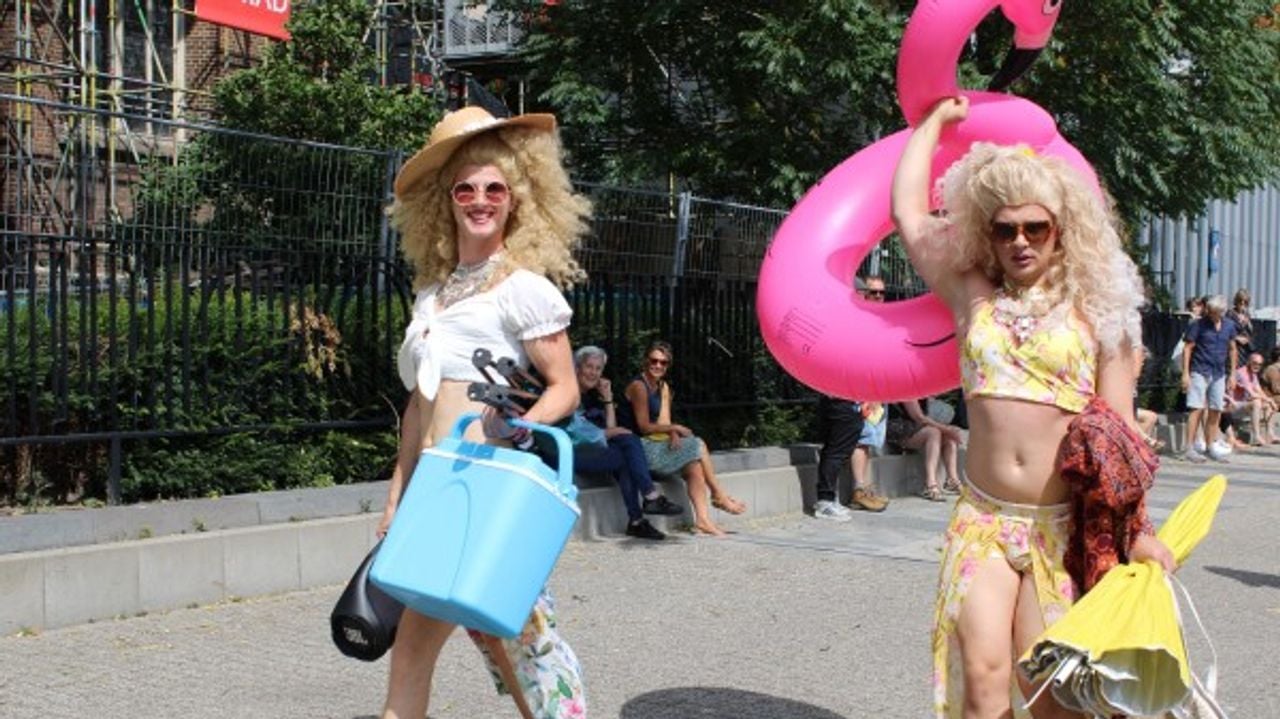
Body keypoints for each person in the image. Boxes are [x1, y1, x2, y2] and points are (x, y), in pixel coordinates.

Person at [891, 96, 1174, 718]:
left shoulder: (1099, 314)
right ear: (986, 234)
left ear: (1060, 230)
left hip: (1060, 528)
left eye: (1035, 228)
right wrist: (932, 125)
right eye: (1005, 229)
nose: (1020, 241)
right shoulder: (973, 296)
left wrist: (1139, 535)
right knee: (983, 678)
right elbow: (908, 214)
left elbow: (1120, 439)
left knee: (1047, 691)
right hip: (982, 520)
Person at [380, 106, 591, 719]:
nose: (480, 200)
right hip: (437, 493)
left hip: (487, 489)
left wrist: (516, 428)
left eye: (494, 189)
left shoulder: (523, 289)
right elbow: (418, 408)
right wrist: (397, 499)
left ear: (515, 198)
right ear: (444, 203)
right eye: (465, 189)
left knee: (523, 645)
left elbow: (565, 389)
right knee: (425, 649)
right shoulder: (433, 295)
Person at [617, 340, 747, 536]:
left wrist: (671, 432)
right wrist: (675, 428)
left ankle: (703, 520)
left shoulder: (663, 387)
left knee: (694, 466)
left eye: (663, 362)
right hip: (637, 448)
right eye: (653, 360)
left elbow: (663, 422)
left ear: (668, 365)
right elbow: (644, 427)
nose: (658, 365)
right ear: (645, 361)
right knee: (698, 444)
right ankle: (719, 495)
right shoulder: (638, 386)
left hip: (654, 444)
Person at [573, 345, 683, 539]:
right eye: (589, 367)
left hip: (592, 448)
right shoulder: (570, 394)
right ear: (577, 368)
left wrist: (608, 399)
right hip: (571, 451)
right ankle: (647, 502)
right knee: (628, 446)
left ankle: (638, 518)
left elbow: (612, 428)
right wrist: (607, 432)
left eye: (598, 368)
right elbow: (576, 432)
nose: (593, 373)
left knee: (627, 447)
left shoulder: (592, 394)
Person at [813, 276, 891, 521]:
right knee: (836, 451)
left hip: (845, 395)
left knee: (837, 450)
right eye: (864, 292)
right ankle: (825, 501)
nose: (869, 297)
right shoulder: (845, 324)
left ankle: (829, 498)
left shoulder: (842, 322)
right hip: (842, 396)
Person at [1180, 294, 1238, 463]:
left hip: (1219, 372)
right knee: (1196, 408)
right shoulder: (1197, 325)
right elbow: (1187, 348)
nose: (1210, 314)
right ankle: (1189, 447)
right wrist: (1185, 373)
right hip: (1200, 369)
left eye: (1214, 312)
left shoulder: (1229, 325)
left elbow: (1233, 349)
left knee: (1216, 409)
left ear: (1222, 312)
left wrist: (1232, 374)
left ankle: (1210, 445)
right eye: (1209, 310)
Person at [884, 399, 964, 502]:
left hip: (916, 428)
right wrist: (946, 429)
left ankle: (952, 480)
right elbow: (919, 417)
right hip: (900, 428)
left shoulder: (922, 392)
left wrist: (948, 431)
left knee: (950, 438)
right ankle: (930, 483)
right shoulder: (907, 392)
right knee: (934, 433)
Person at [1225, 352, 1277, 446]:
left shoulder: (1253, 374)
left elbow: (1259, 391)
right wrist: (1268, 400)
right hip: (1232, 407)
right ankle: (1256, 436)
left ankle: (1271, 435)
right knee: (1256, 402)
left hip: (1243, 405)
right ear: (1248, 362)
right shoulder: (1241, 373)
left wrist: (1270, 401)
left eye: (1260, 364)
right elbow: (1252, 394)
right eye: (1255, 363)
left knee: (1268, 405)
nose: (1257, 366)